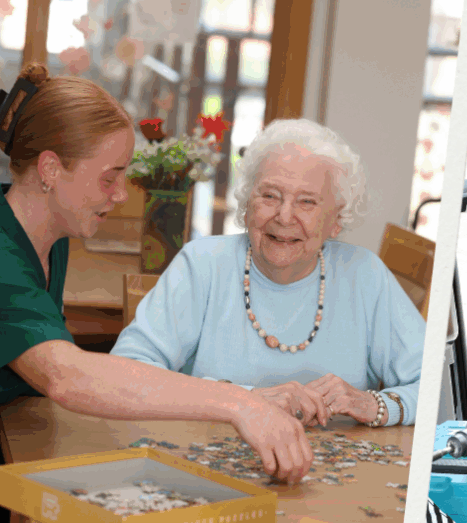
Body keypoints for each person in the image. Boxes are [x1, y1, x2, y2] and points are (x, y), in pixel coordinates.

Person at [0, 64, 310, 481]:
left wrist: (244, 397)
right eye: (109, 178)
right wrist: (237, 403)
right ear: (51, 170)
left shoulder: (48, 233)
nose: (122, 193)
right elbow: (66, 376)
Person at [112, 119, 425, 427]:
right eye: (270, 196)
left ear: (337, 219)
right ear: (247, 204)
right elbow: (125, 373)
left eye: (307, 202)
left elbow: (432, 383)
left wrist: (375, 405)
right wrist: (244, 400)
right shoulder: (202, 265)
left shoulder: (364, 275)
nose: (285, 216)